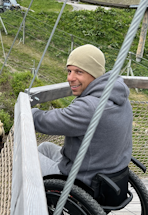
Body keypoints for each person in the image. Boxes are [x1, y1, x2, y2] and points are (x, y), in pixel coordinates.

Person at [32, 44, 133, 187]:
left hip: (81, 180)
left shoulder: (90, 107)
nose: (70, 78)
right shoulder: (119, 97)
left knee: (23, 157)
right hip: (109, 175)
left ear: (95, 74)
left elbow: (46, 122)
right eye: (69, 71)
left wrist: (27, 113)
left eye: (79, 72)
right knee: (44, 147)